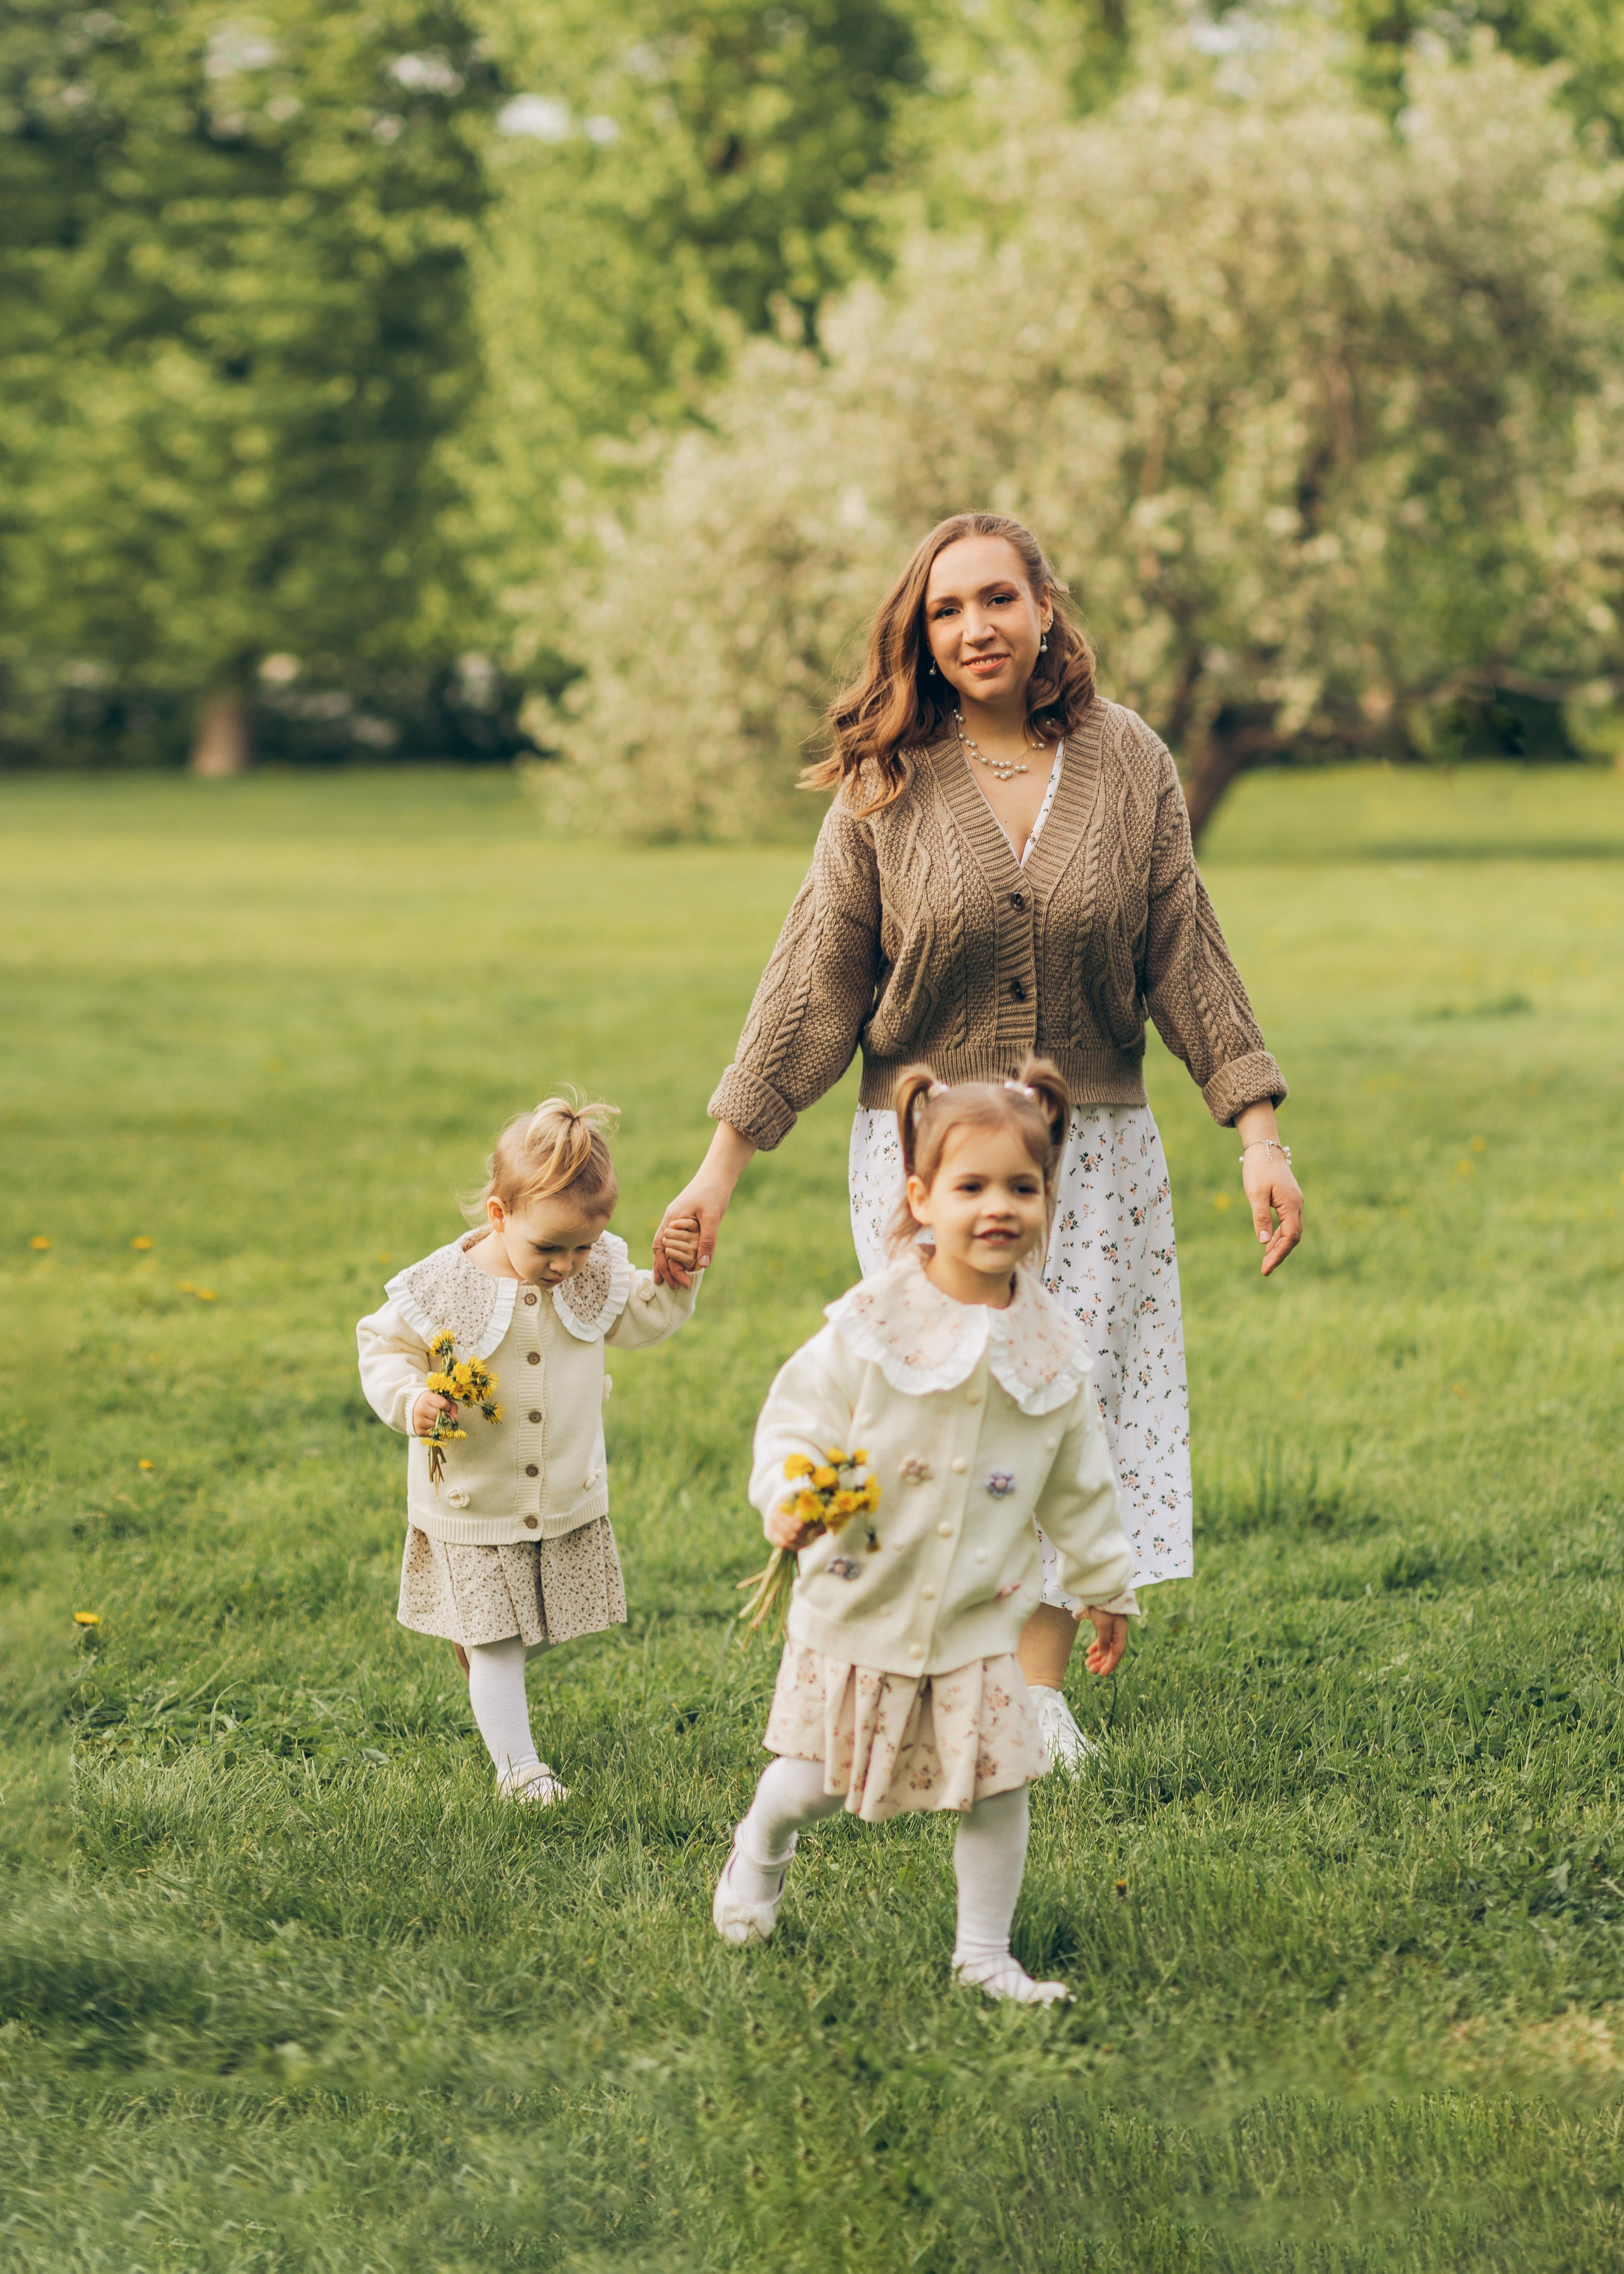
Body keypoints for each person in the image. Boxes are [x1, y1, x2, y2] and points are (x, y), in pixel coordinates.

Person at [657, 511, 1302, 1768]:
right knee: (938, 1408)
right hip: (928, 1167)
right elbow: (812, 981)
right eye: (944, 611)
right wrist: (718, 1168)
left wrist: (1254, 1129)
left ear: (1044, 609)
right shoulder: (885, 783)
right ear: (919, 636)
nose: (973, 629)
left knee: (1073, 1404)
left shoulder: (1130, 764)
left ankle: (1030, 1693)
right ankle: (913, 1659)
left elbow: (1185, 950)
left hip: (1091, 1158)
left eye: (995, 600)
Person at [713, 1060, 1134, 2003]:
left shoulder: (1051, 1350)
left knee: (1000, 1786)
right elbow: (796, 1421)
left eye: (1022, 1188)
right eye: (972, 1186)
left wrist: (1105, 1584)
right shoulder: (871, 1326)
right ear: (920, 1197)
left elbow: (1080, 1480)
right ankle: (760, 1845)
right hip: (867, 1598)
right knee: (817, 1782)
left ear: (1047, 1199)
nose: (999, 1208)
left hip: (982, 1616)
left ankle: (983, 1954)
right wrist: (787, 1489)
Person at [357, 1096, 702, 1804]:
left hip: (560, 1492)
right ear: (497, 1214)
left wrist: (677, 1277)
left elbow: (643, 1316)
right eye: (549, 1246)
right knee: (500, 1643)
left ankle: (480, 1649)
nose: (566, 1265)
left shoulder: (589, 1269)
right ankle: (520, 1769)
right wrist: (411, 1399)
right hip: (473, 1494)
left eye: (583, 1245)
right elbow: (382, 1344)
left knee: (532, 1631)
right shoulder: (445, 1285)